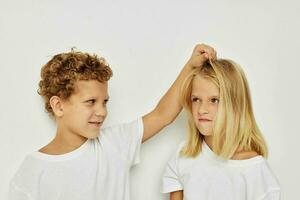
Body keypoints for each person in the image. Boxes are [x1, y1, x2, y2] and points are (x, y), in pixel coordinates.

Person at [9, 44, 216, 200]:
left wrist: (191, 66)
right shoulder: (32, 173)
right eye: (91, 102)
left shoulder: (114, 144)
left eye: (105, 102)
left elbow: (163, 115)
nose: (101, 112)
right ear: (58, 105)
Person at [161, 58, 281, 200]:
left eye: (214, 100)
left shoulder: (255, 171)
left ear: (235, 105)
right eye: (196, 99)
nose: (202, 110)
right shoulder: (182, 156)